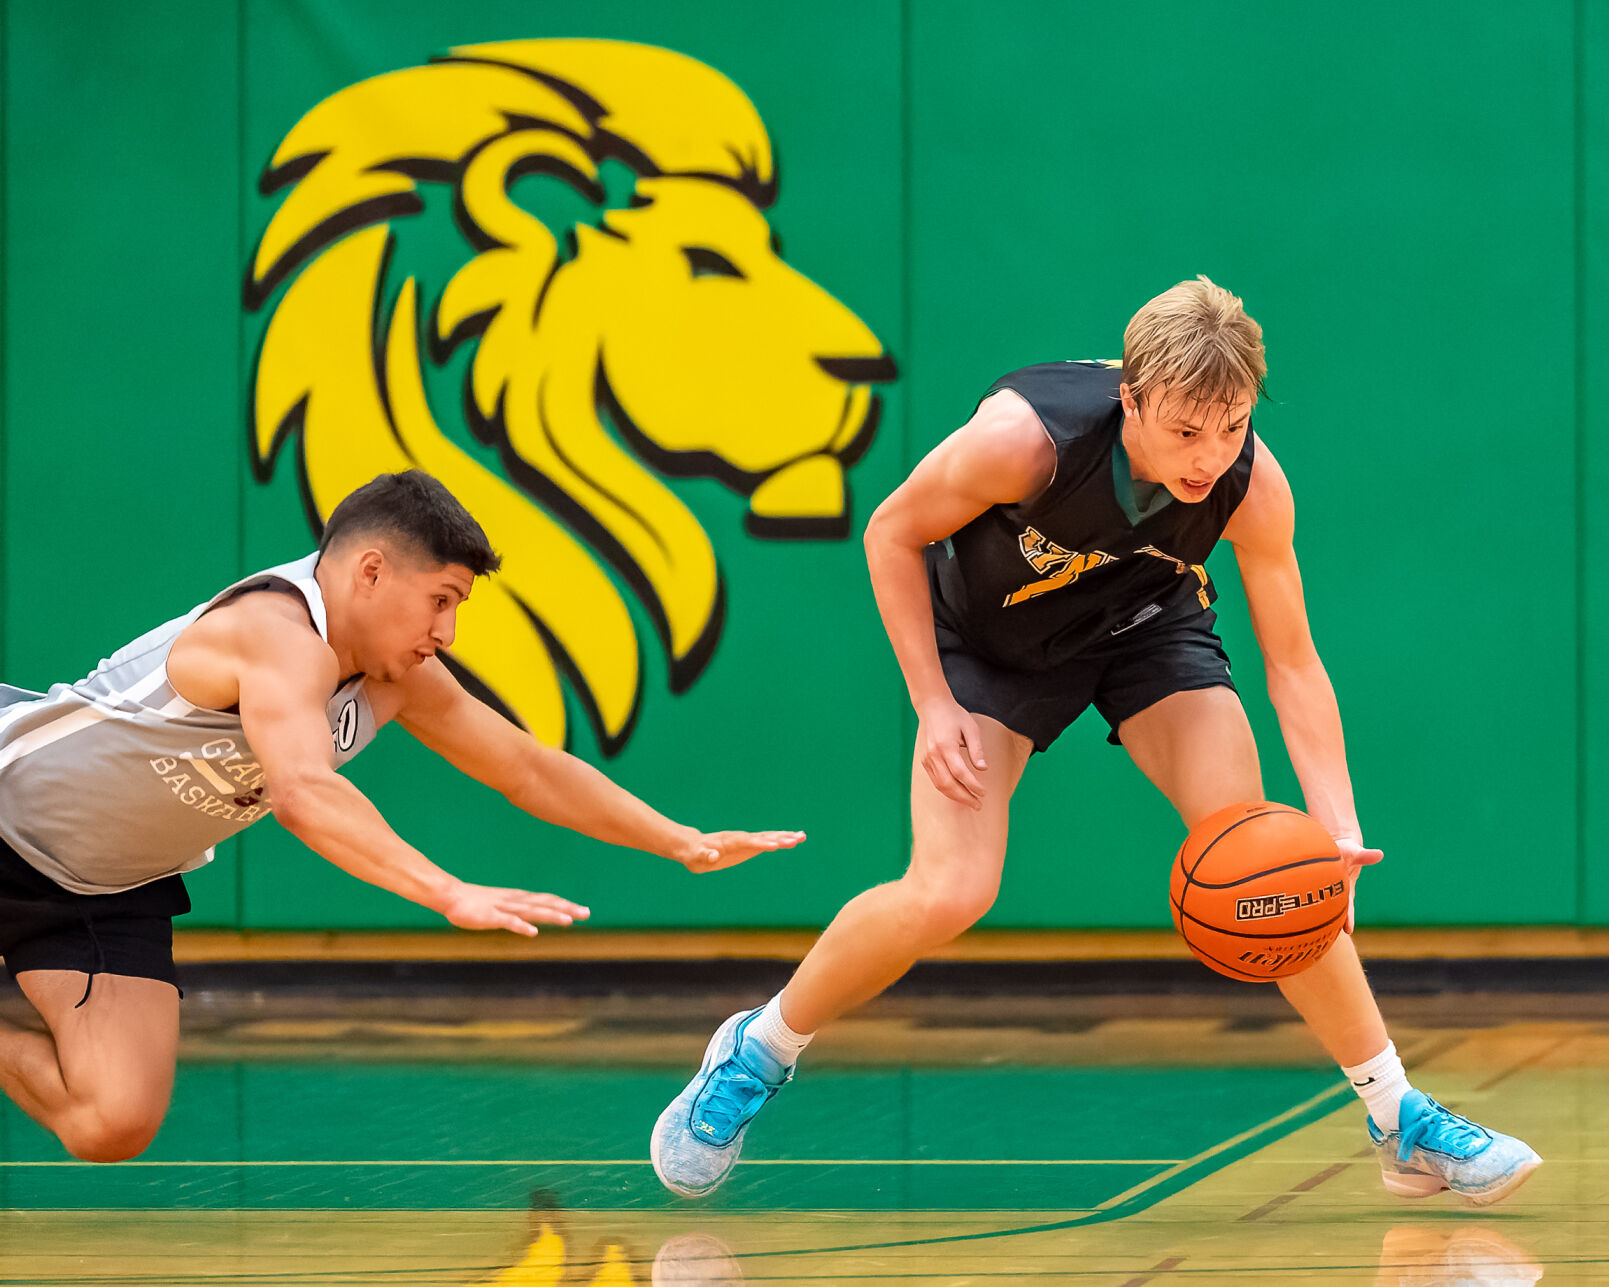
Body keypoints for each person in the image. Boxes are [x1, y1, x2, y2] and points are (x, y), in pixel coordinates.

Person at [651, 277, 1539, 1205]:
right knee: (951, 889)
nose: (1209, 456)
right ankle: (758, 1048)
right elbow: (890, 532)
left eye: (1230, 426)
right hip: (990, 646)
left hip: (1143, 626)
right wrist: (931, 701)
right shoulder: (1022, 443)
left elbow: (1295, 663)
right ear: (1131, 399)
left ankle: (1397, 1117)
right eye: (1185, 431)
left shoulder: (1248, 483)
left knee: (1272, 857)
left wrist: (1335, 821)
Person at [0, 470, 803, 1163]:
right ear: (372, 571)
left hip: (108, 886)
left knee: (112, 1121)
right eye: (441, 600)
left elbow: (525, 767)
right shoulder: (272, 636)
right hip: (7, 811)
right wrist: (445, 890)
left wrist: (677, 841)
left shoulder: (398, 676)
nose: (446, 631)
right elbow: (303, 794)